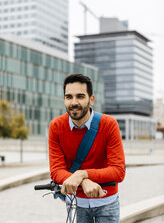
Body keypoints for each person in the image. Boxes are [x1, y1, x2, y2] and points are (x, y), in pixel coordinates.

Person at [49, 73, 125, 223]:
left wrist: (82, 174)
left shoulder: (109, 124)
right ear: (64, 99)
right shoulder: (56, 126)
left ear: (91, 99)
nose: (74, 102)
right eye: (69, 97)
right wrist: (83, 180)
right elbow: (56, 171)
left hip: (107, 202)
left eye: (80, 96)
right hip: (76, 203)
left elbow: (118, 171)